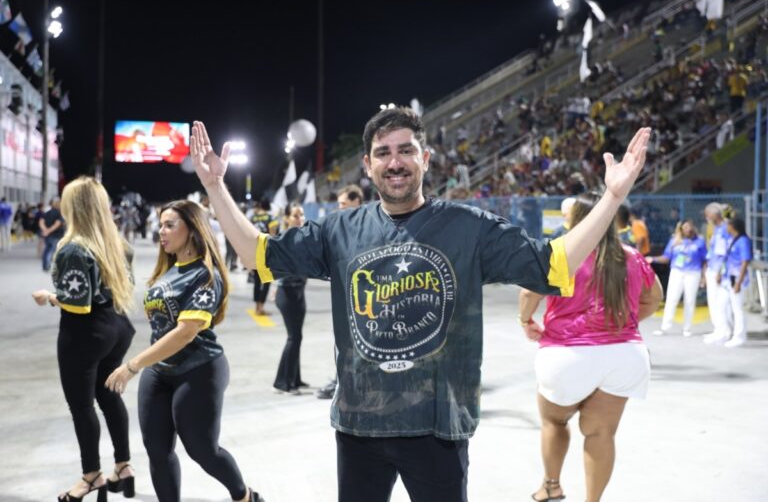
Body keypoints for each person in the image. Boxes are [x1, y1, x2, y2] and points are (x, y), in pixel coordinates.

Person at [189, 111, 650, 502]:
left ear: (425, 159)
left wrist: (611, 198)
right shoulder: (338, 231)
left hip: (437, 427)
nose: (395, 162)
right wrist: (215, 188)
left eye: (406, 150)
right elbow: (257, 255)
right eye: (384, 153)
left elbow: (552, 265)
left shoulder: (469, 229)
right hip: (359, 424)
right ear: (367, 166)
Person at [104, 200, 264, 502]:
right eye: (160, 224)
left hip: (199, 369)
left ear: (192, 230)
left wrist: (132, 365)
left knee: (202, 450)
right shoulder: (167, 271)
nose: (161, 231)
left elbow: (186, 331)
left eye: (169, 225)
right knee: (157, 450)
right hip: (159, 370)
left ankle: (244, 496)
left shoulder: (205, 276)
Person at [518, 193, 663, 502]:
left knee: (554, 421)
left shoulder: (561, 253)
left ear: (574, 220)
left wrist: (526, 321)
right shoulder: (631, 256)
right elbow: (653, 297)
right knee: (601, 434)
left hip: (566, 354)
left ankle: (551, 486)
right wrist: (626, 322)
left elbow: (528, 294)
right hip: (624, 355)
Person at [30, 177, 137, 502]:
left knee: (81, 406)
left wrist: (49, 296)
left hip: (85, 331)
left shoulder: (75, 248)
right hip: (117, 325)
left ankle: (91, 477)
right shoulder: (117, 244)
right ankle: (124, 468)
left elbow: (78, 302)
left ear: (72, 207)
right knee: (108, 397)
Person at [317, 184, 364, 400]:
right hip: (347, 295)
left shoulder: (369, 226)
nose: (340, 208)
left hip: (368, 298)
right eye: (338, 204)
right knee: (343, 341)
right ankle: (340, 380)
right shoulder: (339, 227)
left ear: (357, 202)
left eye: (344, 204)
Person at [273, 202, 310, 394]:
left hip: (298, 292)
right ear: (287, 218)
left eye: (302, 215)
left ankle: (294, 378)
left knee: (297, 337)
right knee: (293, 337)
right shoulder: (285, 238)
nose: (300, 219)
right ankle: (283, 382)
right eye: (296, 215)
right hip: (288, 292)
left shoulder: (301, 237)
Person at [647, 219, 707, 337]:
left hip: (693, 273)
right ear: (681, 229)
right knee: (671, 298)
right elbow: (666, 257)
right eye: (685, 227)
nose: (688, 229)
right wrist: (653, 259)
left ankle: (687, 328)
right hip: (677, 272)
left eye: (690, 227)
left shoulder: (699, 241)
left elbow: (705, 260)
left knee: (689, 300)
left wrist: (703, 277)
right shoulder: (675, 241)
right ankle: (665, 327)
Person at [718, 217, 753, 347]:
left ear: (733, 226)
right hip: (728, 278)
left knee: (737, 309)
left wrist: (739, 282)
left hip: (737, 279)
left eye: (728, 225)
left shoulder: (743, 241)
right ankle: (725, 332)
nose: (726, 227)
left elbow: (745, 262)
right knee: (721, 305)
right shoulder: (732, 239)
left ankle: (739, 336)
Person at [702, 203, 733, 344]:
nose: (707, 218)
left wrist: (720, 271)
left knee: (719, 302)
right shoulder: (718, 229)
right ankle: (719, 329)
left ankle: (724, 331)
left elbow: (724, 252)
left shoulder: (725, 229)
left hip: (718, 271)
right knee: (714, 301)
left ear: (714, 215)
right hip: (713, 268)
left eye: (708, 215)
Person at [248, 197, 278, 315]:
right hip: (266, 253)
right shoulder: (271, 218)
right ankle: (261, 307)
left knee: (256, 281)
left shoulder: (252, 218)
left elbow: (249, 236)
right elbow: (272, 237)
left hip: (254, 252)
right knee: (266, 280)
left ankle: (256, 307)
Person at [40, 197, 66, 271]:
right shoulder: (59, 213)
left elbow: (41, 222)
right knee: (53, 251)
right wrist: (48, 231)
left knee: (47, 250)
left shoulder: (47, 212)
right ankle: (50, 266)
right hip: (56, 235)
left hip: (47, 236)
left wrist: (45, 230)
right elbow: (57, 224)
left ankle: (45, 265)